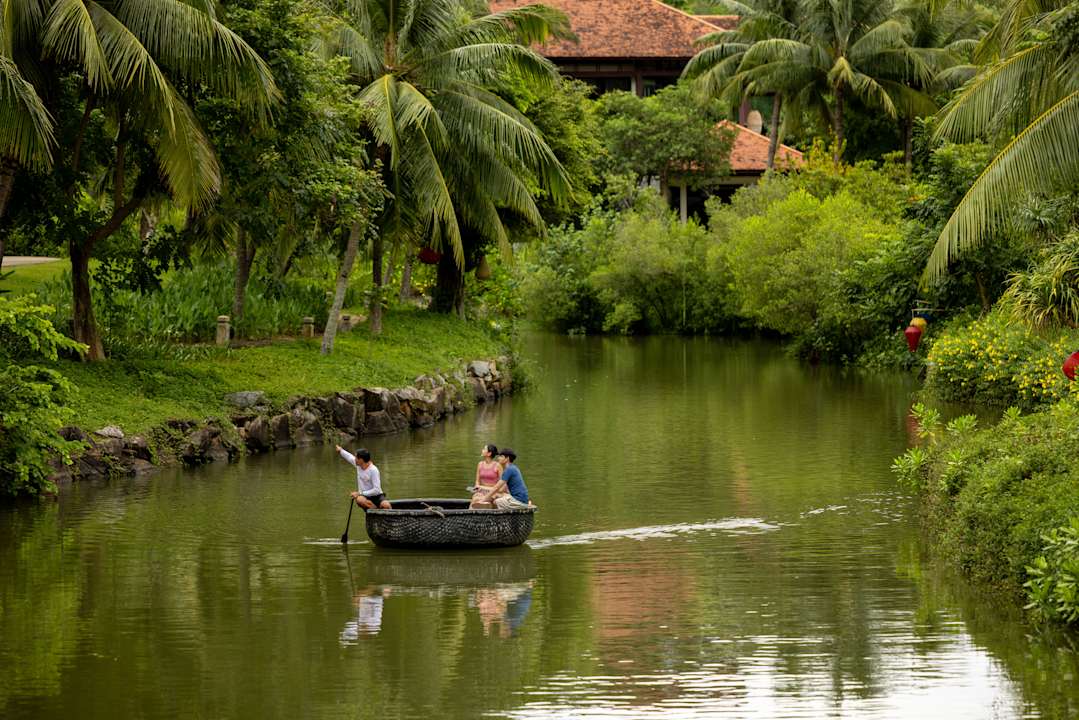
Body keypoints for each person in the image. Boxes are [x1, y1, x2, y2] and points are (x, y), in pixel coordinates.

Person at [335, 445, 391, 509]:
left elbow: (377, 490)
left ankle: (379, 513)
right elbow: (349, 457)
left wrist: (359, 493)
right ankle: (375, 512)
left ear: (361, 460)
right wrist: (341, 450)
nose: (354, 459)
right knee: (359, 500)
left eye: (356, 458)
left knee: (386, 505)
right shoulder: (359, 465)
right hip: (364, 496)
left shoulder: (373, 470)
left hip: (377, 496)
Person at [469, 443, 501, 509]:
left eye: (484, 449)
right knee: (475, 498)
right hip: (481, 491)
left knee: (481, 501)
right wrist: (477, 488)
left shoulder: (497, 466)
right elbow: (477, 481)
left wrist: (483, 488)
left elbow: (501, 485)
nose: (482, 450)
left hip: (493, 491)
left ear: (489, 453)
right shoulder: (480, 464)